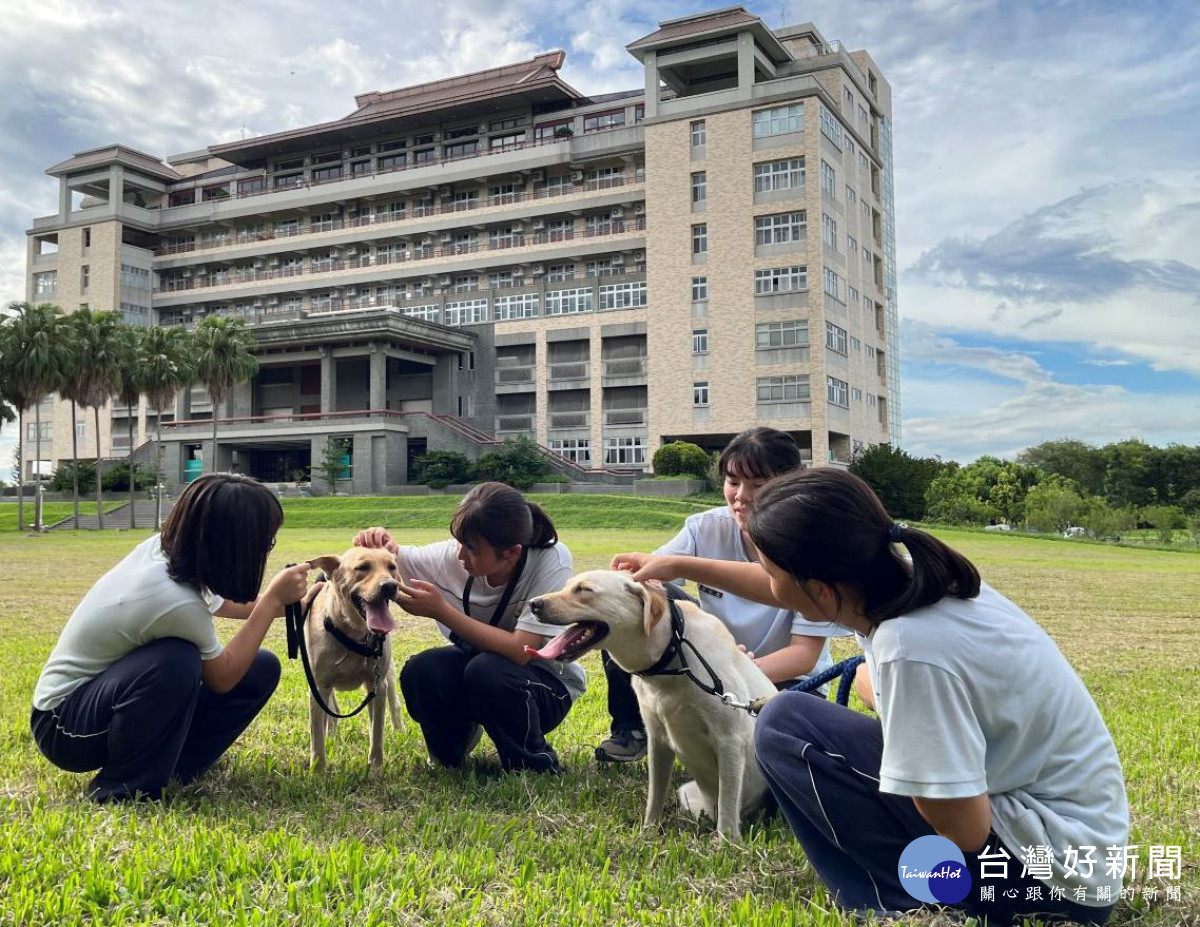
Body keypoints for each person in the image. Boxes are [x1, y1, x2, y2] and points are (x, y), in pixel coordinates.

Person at [630, 467, 1129, 924]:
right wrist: (677, 565)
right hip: (1079, 853)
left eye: (772, 572)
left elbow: (965, 833)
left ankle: (907, 904)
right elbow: (786, 587)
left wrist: (890, 701)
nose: (766, 581)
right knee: (794, 716)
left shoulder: (909, 649)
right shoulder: (920, 578)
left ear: (820, 590)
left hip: (1044, 887)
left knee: (783, 726)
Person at [30, 473, 312, 803]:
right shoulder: (173, 599)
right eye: (266, 542)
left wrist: (300, 603)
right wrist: (273, 601)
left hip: (92, 705)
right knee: (175, 662)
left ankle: (177, 766)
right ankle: (123, 789)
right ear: (234, 545)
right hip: (64, 727)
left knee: (260, 666)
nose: (267, 549)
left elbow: (226, 603)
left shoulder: (170, 552)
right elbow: (222, 677)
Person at [598, 427, 845, 763]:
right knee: (626, 608)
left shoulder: (808, 548)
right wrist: (626, 583)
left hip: (786, 682)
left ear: (789, 486)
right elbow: (650, 577)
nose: (741, 496)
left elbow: (803, 656)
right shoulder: (706, 527)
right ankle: (633, 729)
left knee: (767, 753)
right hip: (713, 667)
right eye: (733, 482)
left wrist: (735, 668)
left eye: (758, 485)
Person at [354, 482, 582, 773]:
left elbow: (521, 651)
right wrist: (377, 543)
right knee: (423, 669)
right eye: (458, 542)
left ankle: (532, 764)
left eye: (471, 548)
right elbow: (391, 559)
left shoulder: (551, 560)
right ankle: (449, 754)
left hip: (544, 686)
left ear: (511, 553)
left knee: (486, 669)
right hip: (480, 675)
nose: (460, 555)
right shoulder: (452, 556)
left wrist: (442, 612)